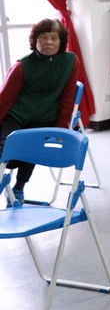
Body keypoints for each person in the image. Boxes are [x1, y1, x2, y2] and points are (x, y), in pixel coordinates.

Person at [0, 19, 78, 205]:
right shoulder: (22, 66)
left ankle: (18, 187)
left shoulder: (70, 61)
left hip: (44, 119)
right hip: (16, 117)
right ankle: (7, 180)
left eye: (54, 38)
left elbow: (68, 98)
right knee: (7, 156)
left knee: (31, 148)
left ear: (61, 42)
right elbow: (3, 100)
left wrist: (61, 130)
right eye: (43, 37)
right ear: (35, 41)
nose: (48, 42)